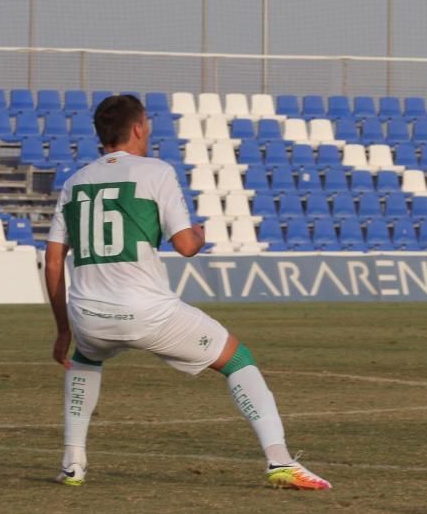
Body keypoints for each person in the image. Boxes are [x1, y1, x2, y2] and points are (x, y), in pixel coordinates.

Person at [45, 94, 332, 489]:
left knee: (85, 357)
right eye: (147, 123)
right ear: (138, 128)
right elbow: (184, 246)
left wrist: (63, 328)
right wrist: (199, 234)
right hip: (147, 313)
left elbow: (55, 262)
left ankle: (72, 462)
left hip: (88, 315)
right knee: (238, 359)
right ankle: (279, 460)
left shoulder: (75, 182)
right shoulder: (155, 171)